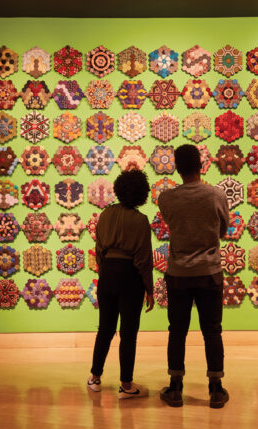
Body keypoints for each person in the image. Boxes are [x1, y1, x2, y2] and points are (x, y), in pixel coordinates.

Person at [158, 144, 230, 408]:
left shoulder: (166, 198)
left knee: (177, 330)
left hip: (178, 272)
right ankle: (216, 388)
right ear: (201, 165)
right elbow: (222, 230)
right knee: (212, 330)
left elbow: (172, 224)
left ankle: (176, 386)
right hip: (209, 272)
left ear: (177, 168)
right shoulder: (216, 195)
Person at [87, 169, 154, 399]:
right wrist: (149, 289)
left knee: (105, 329)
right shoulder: (141, 220)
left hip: (107, 274)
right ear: (142, 194)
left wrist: (105, 271)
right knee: (128, 332)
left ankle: (95, 377)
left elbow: (98, 250)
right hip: (130, 276)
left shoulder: (105, 214)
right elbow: (144, 259)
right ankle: (126, 385)